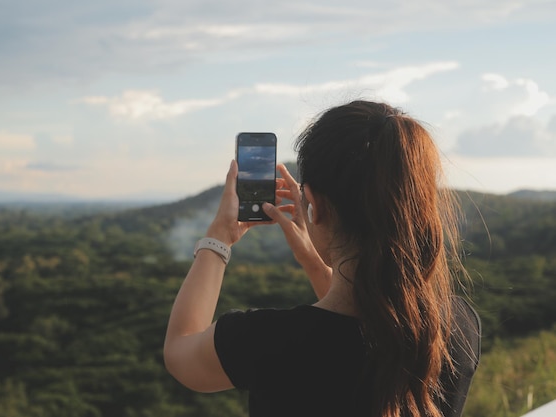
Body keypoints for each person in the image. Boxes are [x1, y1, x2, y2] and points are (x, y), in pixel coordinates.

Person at [163, 100, 481, 417]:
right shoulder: (457, 328)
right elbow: (366, 317)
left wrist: (219, 237)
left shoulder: (267, 342)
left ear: (314, 204)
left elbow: (180, 351)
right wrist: (314, 260)